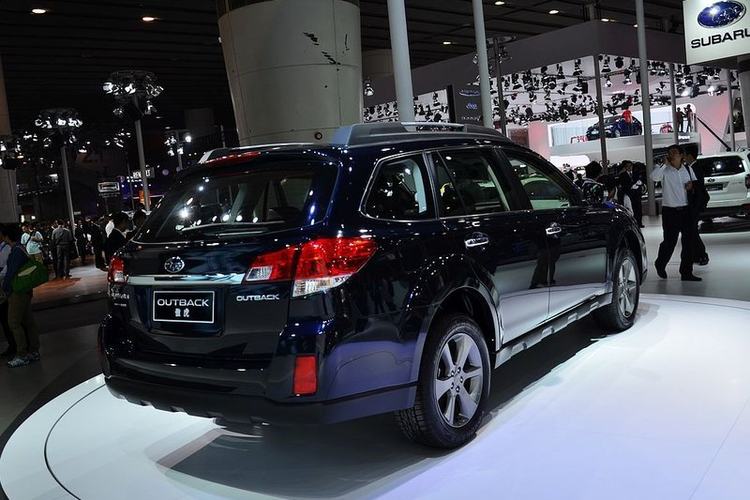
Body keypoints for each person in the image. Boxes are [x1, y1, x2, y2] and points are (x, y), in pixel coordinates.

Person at [652, 145, 701, 281]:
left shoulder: (688, 169)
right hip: (670, 212)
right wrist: (664, 165)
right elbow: (654, 178)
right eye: (670, 153)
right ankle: (660, 263)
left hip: (686, 210)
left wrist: (691, 185)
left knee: (688, 242)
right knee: (669, 242)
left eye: (674, 152)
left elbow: (695, 184)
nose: (672, 155)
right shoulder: (664, 170)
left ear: (681, 155)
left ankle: (686, 272)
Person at [2, 223, 40, 368]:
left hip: (17, 291)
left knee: (13, 322)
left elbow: (11, 273)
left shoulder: (15, 251)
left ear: (6, 235)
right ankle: (34, 351)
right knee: (28, 321)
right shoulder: (20, 248)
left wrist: (5, 288)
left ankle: (22, 354)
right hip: (25, 289)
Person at [683, 143, 710, 266]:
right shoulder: (691, 167)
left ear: (689, 156)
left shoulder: (695, 168)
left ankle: (702, 255)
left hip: (695, 204)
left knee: (693, 231)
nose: (683, 157)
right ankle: (696, 255)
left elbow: (698, 188)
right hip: (693, 204)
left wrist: (695, 207)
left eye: (684, 154)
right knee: (691, 231)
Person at [0, 224, 16, 359]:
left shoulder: (10, 248)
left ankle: (17, 346)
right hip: (4, 286)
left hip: (7, 287)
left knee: (9, 319)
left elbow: (7, 268)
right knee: (5, 318)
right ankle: (13, 345)